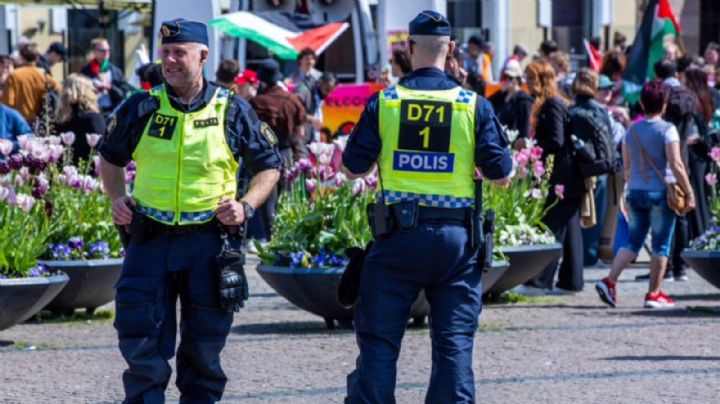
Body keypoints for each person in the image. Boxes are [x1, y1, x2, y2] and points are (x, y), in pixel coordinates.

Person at [98, 19, 281, 402]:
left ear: (203, 55)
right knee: (141, 342)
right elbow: (110, 158)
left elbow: (269, 166)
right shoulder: (141, 106)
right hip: (149, 240)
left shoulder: (232, 109)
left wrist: (245, 206)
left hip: (209, 244)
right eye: (165, 52)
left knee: (204, 351)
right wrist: (117, 197)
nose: (169, 60)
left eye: (179, 52)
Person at [341, 10, 512, 402]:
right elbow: (501, 172)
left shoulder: (385, 102)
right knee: (453, 345)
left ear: (408, 47)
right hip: (456, 242)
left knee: (379, 342)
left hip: (397, 238)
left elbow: (351, 169)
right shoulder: (472, 105)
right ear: (451, 49)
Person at [596, 81, 695, 308]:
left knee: (632, 242)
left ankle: (609, 281)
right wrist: (689, 191)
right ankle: (654, 293)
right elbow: (676, 164)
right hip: (660, 194)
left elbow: (627, 168)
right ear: (664, 104)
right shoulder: (668, 130)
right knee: (661, 246)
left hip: (636, 191)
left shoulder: (631, 132)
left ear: (641, 102)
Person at [524, 60, 585, 293]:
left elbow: (557, 140)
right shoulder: (557, 103)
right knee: (569, 231)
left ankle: (540, 279)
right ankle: (572, 281)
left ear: (540, 81)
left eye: (530, 78)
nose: (526, 83)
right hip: (568, 175)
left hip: (562, 176)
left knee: (551, 225)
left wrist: (532, 145)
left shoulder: (551, 105)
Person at [250, 59, 306, 242]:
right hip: (286, 154)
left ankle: (272, 241)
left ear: (262, 81)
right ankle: (288, 242)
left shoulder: (255, 103)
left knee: (268, 203)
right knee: (288, 199)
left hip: (264, 157)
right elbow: (300, 133)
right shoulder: (293, 100)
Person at [569, 68, 613, 268]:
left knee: (579, 214)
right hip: (597, 168)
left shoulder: (571, 108)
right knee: (595, 215)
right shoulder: (598, 109)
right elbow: (608, 139)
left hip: (576, 167)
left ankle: (579, 256)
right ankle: (591, 256)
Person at [2, 42, 60, 124]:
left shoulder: (14, 75)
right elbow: (60, 90)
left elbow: (8, 103)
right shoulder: (44, 75)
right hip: (40, 122)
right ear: (37, 58)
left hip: (19, 122)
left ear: (21, 57)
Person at [54, 74, 105, 164]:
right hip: (89, 172)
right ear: (88, 93)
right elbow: (103, 149)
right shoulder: (93, 118)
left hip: (62, 173)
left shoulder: (58, 120)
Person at [80, 37, 132, 116]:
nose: (106, 52)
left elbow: (124, 93)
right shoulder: (86, 71)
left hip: (112, 112)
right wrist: (94, 90)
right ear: (94, 51)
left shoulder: (115, 71)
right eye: (103, 50)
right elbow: (80, 93)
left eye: (108, 50)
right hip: (92, 112)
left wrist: (110, 88)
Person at [488, 59, 532, 149]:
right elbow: (488, 103)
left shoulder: (524, 100)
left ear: (518, 79)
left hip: (513, 143)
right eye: (506, 77)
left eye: (511, 78)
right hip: (499, 141)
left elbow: (525, 126)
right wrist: (501, 90)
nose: (508, 80)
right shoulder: (501, 96)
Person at [294, 72, 337, 150]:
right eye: (327, 89)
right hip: (299, 140)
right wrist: (309, 118)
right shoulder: (304, 90)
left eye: (331, 91)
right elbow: (292, 107)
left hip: (309, 140)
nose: (328, 94)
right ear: (320, 83)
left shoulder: (318, 94)